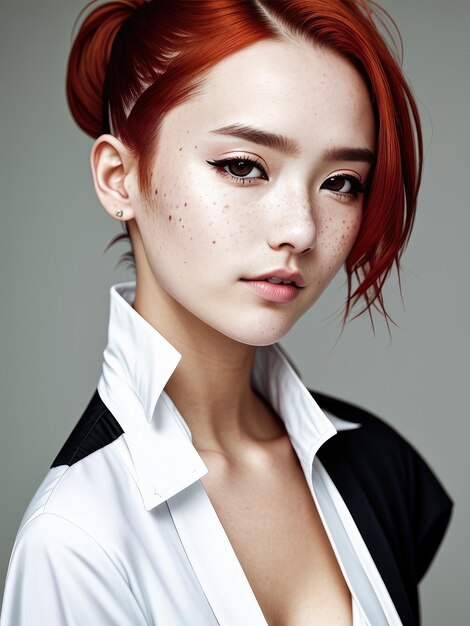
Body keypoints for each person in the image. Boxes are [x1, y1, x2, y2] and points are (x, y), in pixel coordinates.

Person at [0, 0, 452, 624]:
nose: (300, 228)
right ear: (119, 177)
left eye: (341, 181)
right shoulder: (78, 539)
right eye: (244, 167)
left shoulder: (383, 469)